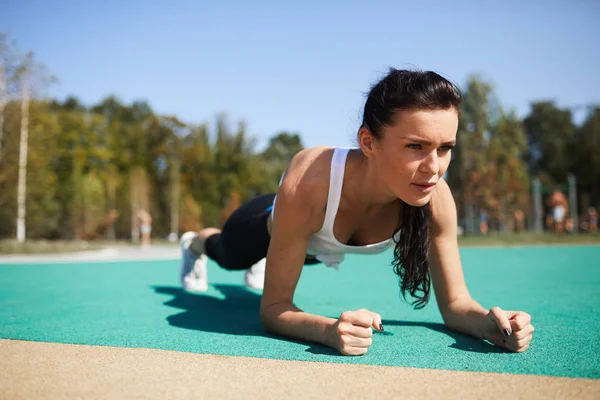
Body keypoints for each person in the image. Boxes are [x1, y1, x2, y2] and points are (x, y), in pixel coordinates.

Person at [179, 69, 534, 356]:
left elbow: (456, 304)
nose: (434, 167)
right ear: (368, 143)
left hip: (313, 248)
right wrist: (329, 330)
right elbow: (273, 310)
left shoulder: (435, 199)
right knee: (228, 254)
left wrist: (490, 324)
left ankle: (277, 258)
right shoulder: (310, 182)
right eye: (416, 146)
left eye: (445, 148)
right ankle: (197, 242)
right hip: (274, 222)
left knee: (299, 256)